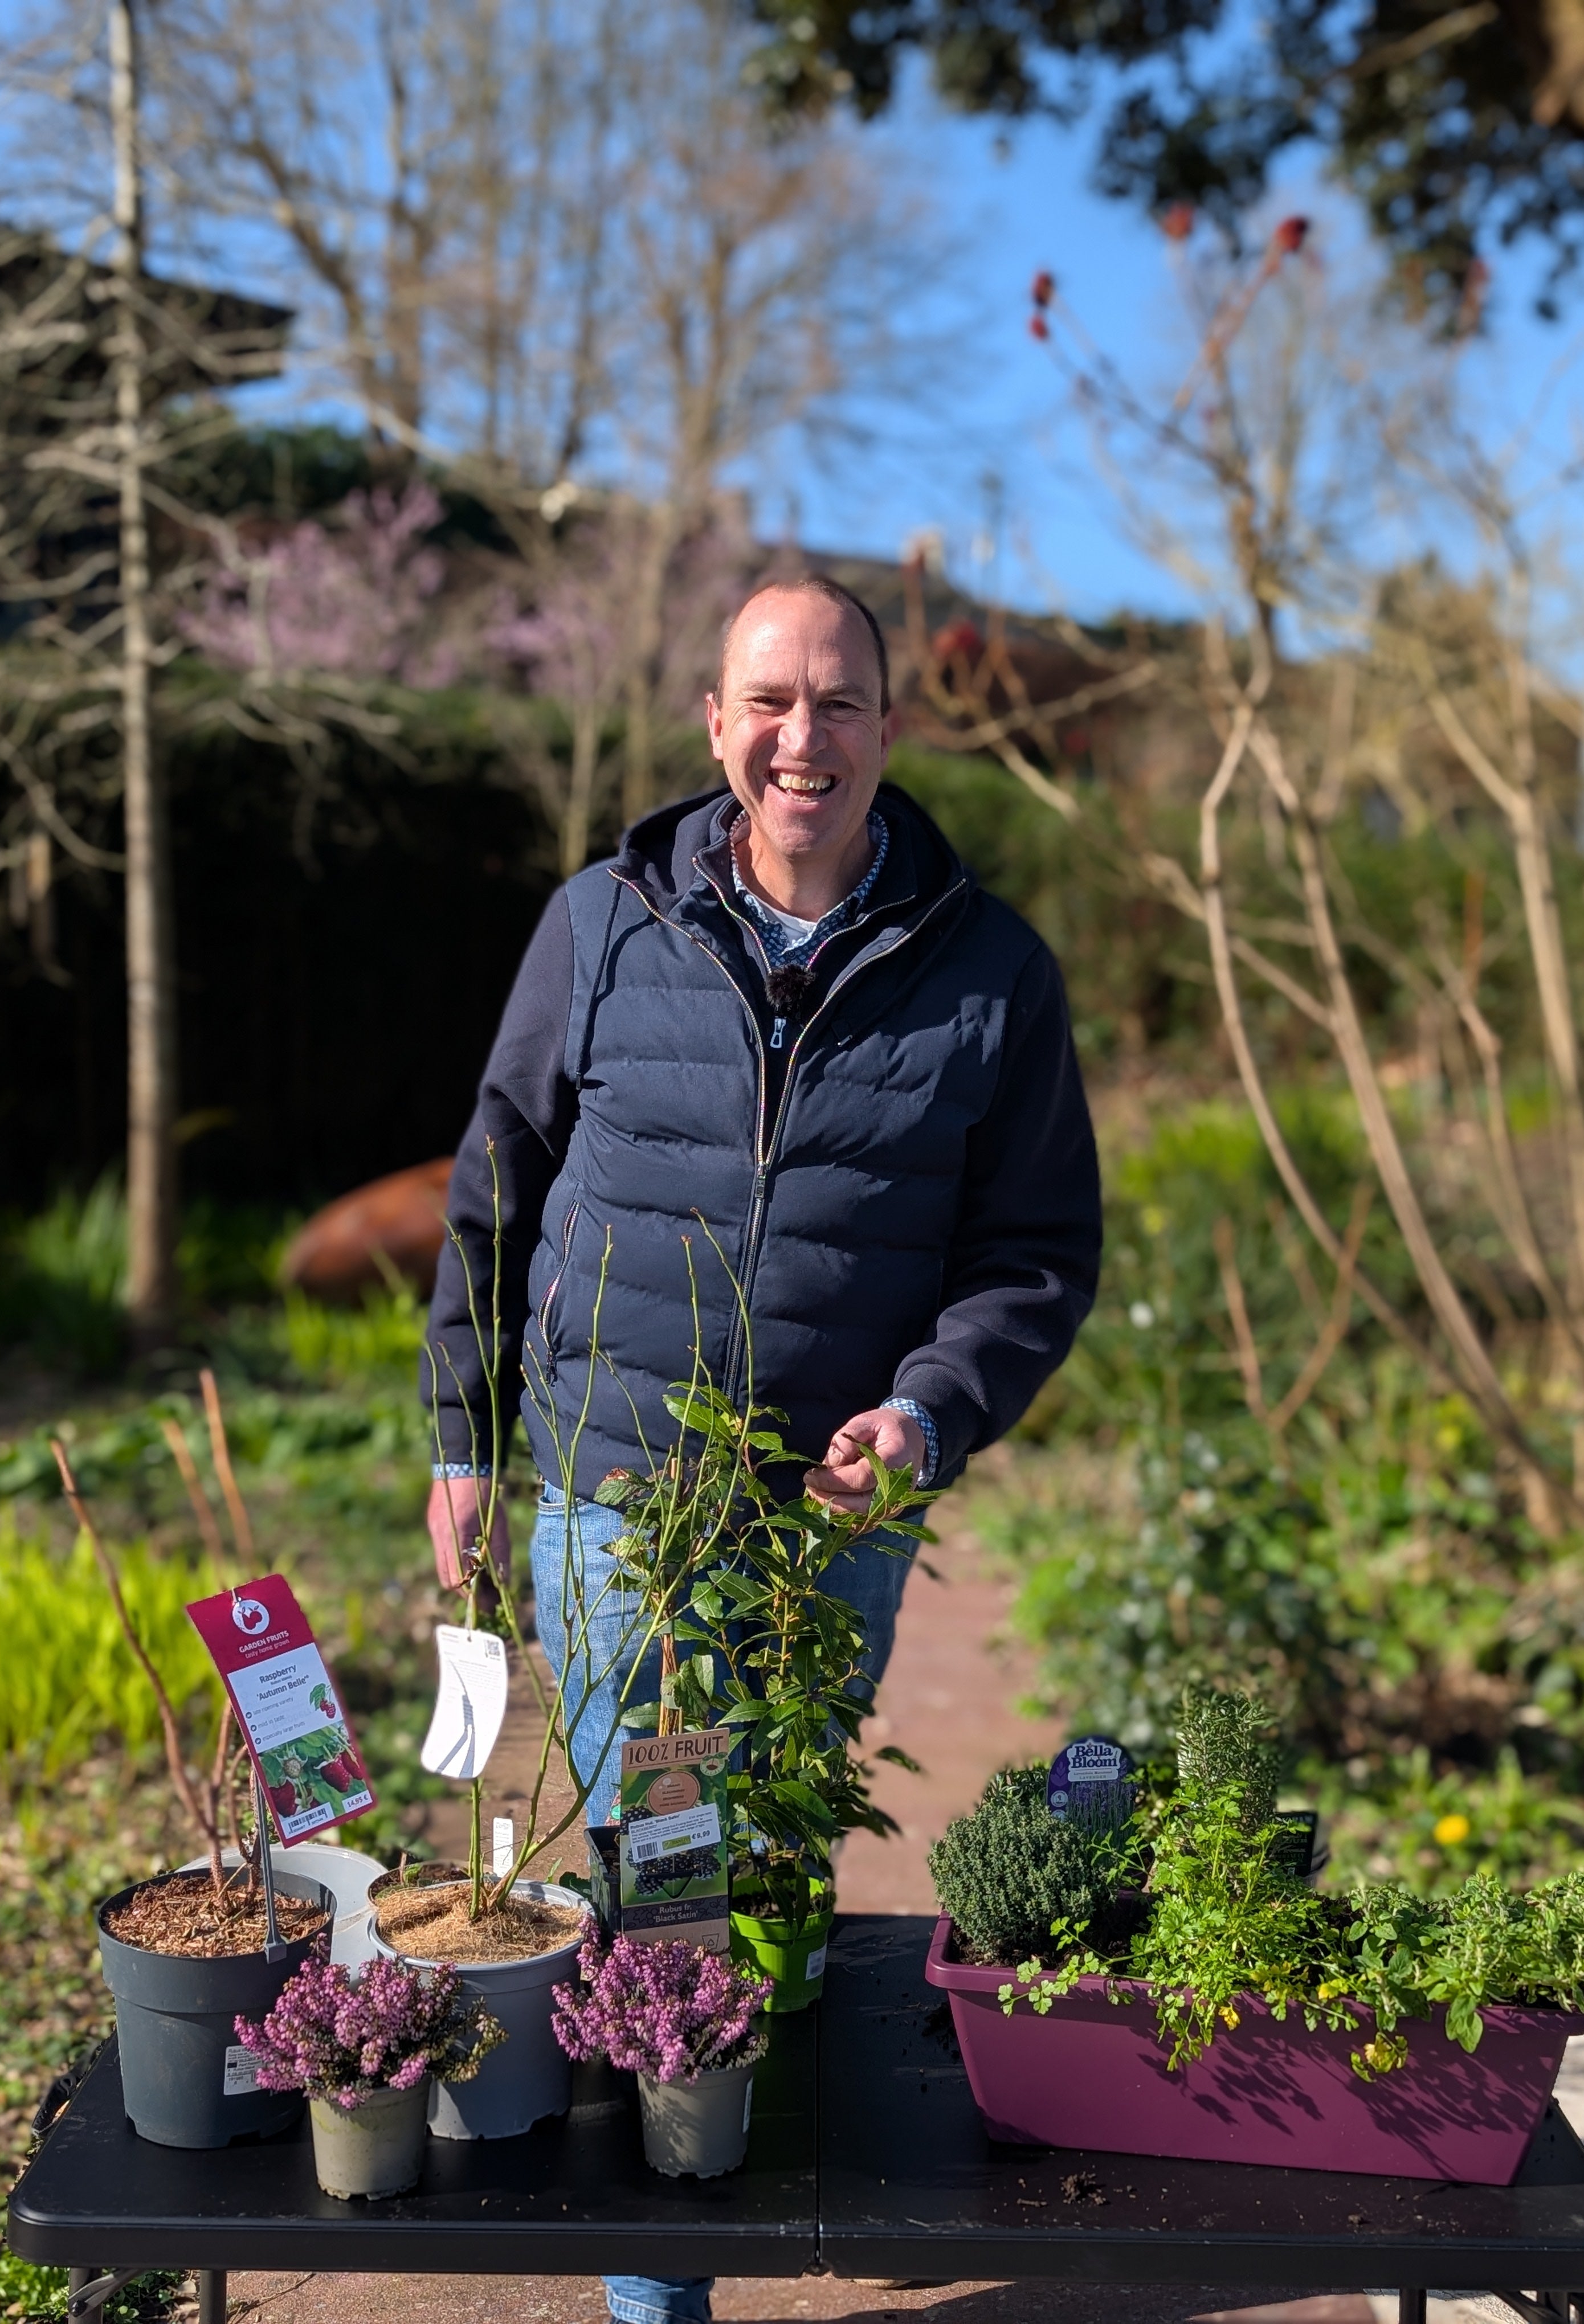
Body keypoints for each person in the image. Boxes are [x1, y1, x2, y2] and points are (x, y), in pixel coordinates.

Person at [422, 575, 1100, 2324]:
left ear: (890, 728)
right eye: (773, 701)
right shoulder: (605, 924)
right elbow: (498, 1179)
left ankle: (738, 2183)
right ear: (718, 724)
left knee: (775, 1866)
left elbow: (1034, 1255)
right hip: (616, 1497)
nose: (807, 736)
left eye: (842, 701)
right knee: (667, 1871)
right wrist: (462, 1434)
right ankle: (664, 2292)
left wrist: (929, 1411)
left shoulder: (989, 969)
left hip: (828, 1526)